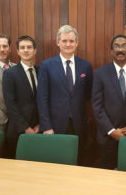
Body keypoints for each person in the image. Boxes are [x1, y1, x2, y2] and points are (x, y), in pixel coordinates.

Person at [37, 25, 92, 163]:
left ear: (77, 43)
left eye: (72, 41)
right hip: (55, 125)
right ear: (58, 42)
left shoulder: (85, 66)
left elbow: (87, 95)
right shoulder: (46, 65)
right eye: (64, 41)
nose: (68, 44)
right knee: (56, 161)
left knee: (79, 159)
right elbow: (42, 98)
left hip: (79, 123)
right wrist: (46, 126)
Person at [92, 34, 126, 169]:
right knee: (107, 177)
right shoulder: (100, 73)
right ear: (111, 51)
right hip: (107, 136)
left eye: (124, 46)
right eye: (116, 46)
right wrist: (111, 131)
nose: (120, 49)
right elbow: (96, 105)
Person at [2, 36, 39, 159]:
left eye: (29, 47)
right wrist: (25, 127)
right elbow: (10, 103)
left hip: (39, 129)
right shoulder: (9, 73)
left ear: (35, 51)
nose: (26, 50)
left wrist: (40, 124)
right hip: (18, 130)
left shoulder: (41, 71)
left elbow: (44, 100)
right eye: (22, 48)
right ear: (17, 51)